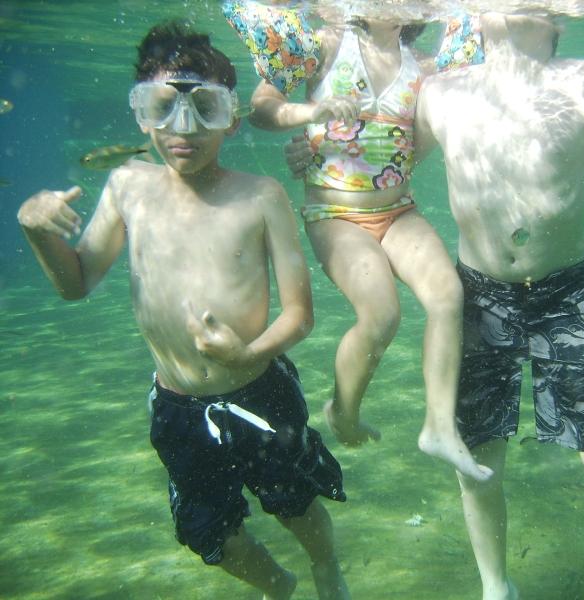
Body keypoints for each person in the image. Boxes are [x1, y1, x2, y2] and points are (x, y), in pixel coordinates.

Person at [17, 21, 349, 600]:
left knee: (295, 502)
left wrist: (249, 352)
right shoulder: (126, 186)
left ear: (232, 118)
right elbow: (76, 284)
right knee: (208, 532)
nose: (183, 128)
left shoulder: (260, 195)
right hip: (176, 405)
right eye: (163, 107)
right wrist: (38, 230)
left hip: (259, 389)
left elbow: (301, 314)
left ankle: (326, 570)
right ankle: (280, 587)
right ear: (141, 114)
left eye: (205, 109)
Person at [411, 11, 584, 600]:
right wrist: (320, 164)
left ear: (557, 19)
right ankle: (497, 589)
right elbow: (379, 175)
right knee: (477, 460)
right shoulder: (439, 91)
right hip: (479, 294)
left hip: (567, 292)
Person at [223, 1, 492, 482]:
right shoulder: (328, 45)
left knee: (449, 295)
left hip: (398, 210)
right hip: (336, 213)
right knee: (382, 314)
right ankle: (343, 411)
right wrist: (312, 112)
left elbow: (426, 139)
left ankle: (439, 426)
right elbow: (261, 109)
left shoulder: (425, 67)